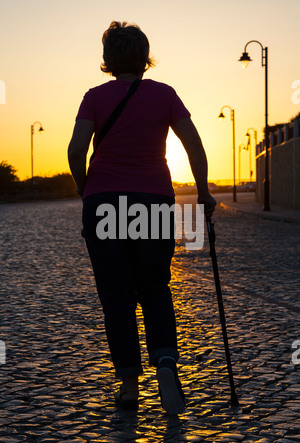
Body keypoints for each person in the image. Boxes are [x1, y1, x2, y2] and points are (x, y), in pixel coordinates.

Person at [68, 21, 216, 415]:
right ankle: (166, 362)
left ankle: (130, 385)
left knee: (116, 295)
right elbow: (194, 144)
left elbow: (76, 148)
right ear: (145, 57)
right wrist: (202, 192)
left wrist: (87, 189)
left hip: (103, 203)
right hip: (152, 201)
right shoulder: (165, 94)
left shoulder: (94, 97)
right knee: (154, 287)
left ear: (107, 59)